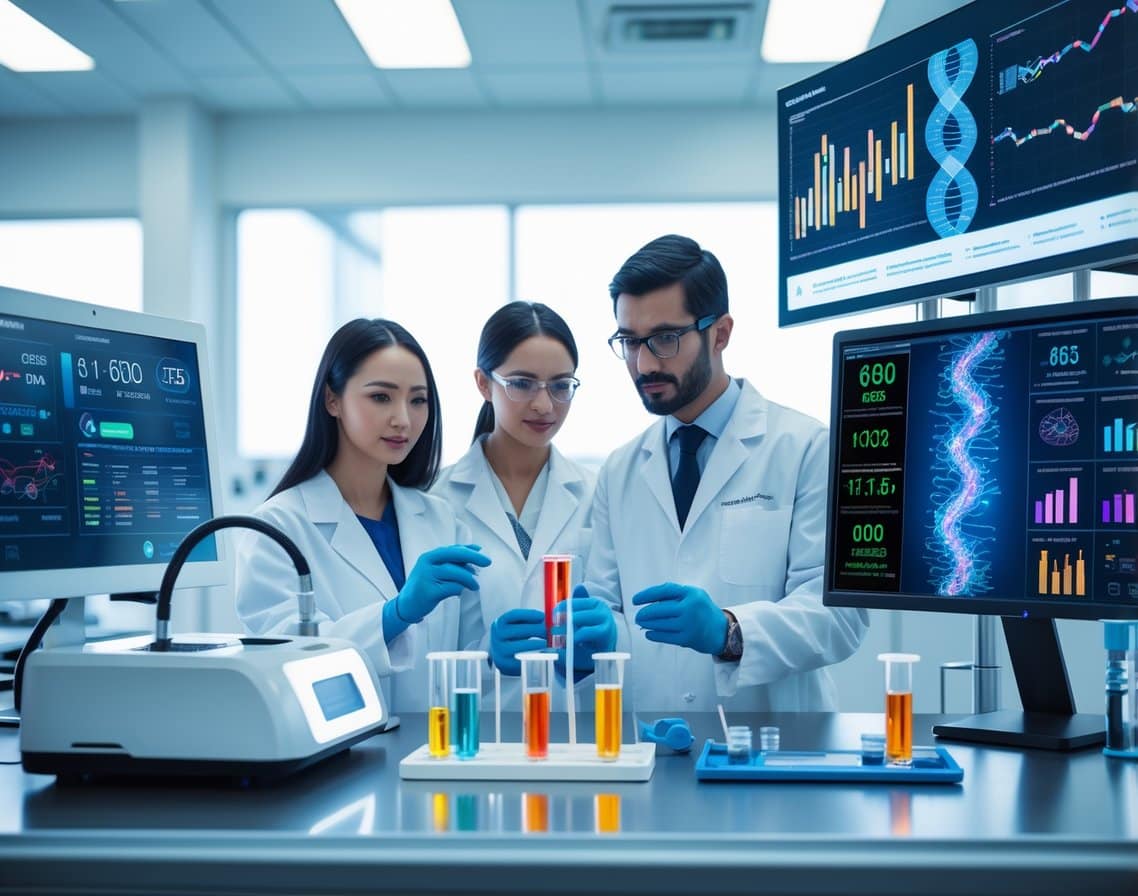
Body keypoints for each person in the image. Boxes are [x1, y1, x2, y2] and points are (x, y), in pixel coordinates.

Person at [579, 234, 868, 713]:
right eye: (629, 342)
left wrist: (728, 630)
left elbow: (841, 617)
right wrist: (595, 632)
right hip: (650, 747)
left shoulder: (805, 448)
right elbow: (610, 610)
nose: (644, 362)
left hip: (772, 754)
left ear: (721, 333)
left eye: (665, 339)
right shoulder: (621, 469)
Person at [234, 318, 491, 713]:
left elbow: (459, 655)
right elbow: (286, 661)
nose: (403, 419)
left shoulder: (441, 520)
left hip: (432, 752)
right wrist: (394, 615)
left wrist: (493, 654)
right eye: (381, 397)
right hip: (338, 760)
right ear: (332, 400)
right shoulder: (277, 529)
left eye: (417, 400)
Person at [432, 301, 613, 703]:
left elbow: (612, 638)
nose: (544, 405)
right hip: (477, 740)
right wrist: (485, 659)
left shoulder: (595, 494)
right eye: (522, 383)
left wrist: (591, 654)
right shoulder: (437, 502)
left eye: (561, 385)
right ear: (483, 383)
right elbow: (420, 655)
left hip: (575, 737)